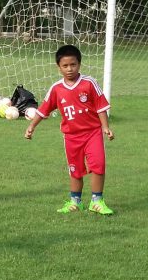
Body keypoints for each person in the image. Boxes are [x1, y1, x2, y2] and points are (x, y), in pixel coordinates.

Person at [24, 44, 115, 215]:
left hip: (92, 133)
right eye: (65, 66)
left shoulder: (89, 83)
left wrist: (105, 127)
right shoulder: (56, 89)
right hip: (71, 137)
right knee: (75, 169)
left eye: (73, 64)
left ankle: (97, 201)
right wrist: (31, 126)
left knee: (99, 165)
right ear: (58, 67)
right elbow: (43, 109)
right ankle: (76, 201)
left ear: (79, 64)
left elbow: (101, 107)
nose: (69, 69)